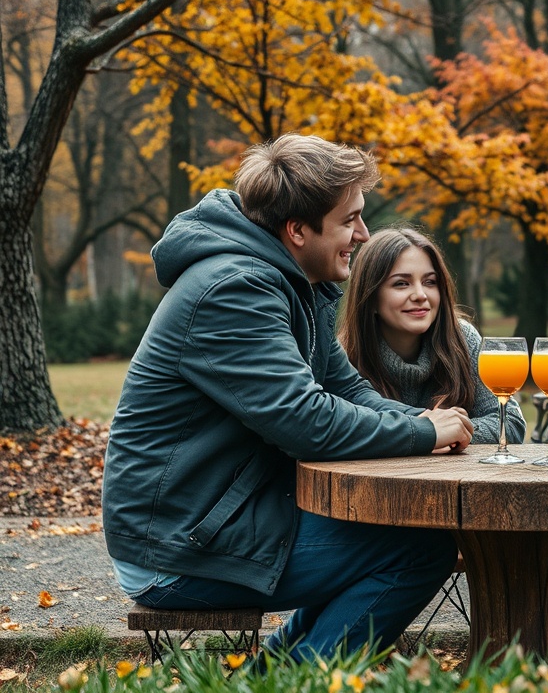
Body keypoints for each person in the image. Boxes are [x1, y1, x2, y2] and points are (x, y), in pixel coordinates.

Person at [102, 134, 474, 663]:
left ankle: (273, 674)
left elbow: (343, 387)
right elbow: (303, 420)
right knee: (417, 549)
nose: (363, 235)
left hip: (223, 517)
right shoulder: (234, 290)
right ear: (297, 230)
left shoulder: (292, 281)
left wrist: (417, 417)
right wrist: (421, 432)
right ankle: (298, 679)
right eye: (350, 221)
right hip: (178, 548)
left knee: (400, 535)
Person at [340, 227, 526, 444]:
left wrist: (450, 433)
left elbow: (509, 423)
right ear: (370, 297)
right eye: (401, 283)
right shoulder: (343, 358)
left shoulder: (462, 339)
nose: (420, 295)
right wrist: (429, 433)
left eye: (430, 282)